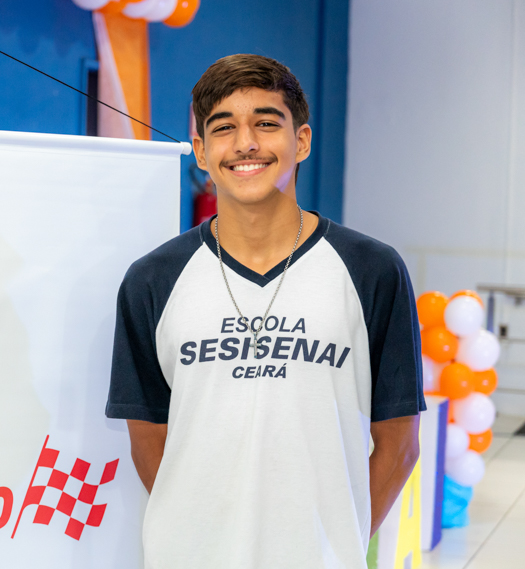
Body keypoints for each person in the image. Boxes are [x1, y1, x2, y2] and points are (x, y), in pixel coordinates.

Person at [106, 54, 425, 569]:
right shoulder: (152, 280)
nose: (246, 143)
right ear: (201, 151)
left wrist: (333, 541)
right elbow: (149, 440)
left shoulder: (373, 270)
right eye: (223, 128)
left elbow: (399, 442)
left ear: (302, 140)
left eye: (266, 123)